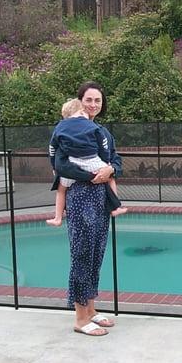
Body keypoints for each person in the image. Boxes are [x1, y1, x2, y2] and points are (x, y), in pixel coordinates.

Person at [50, 82, 122, 336]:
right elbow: (60, 165)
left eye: (98, 101)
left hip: (101, 199)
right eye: (89, 100)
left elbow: (115, 159)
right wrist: (91, 176)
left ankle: (90, 309)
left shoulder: (100, 131)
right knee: (82, 254)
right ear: (80, 101)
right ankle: (80, 318)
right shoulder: (67, 130)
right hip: (81, 196)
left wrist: (110, 170)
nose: (94, 104)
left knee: (96, 254)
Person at [47, 98, 127, 227]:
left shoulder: (60, 126)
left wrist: (54, 166)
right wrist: (106, 162)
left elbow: (52, 148)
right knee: (109, 177)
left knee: (61, 190)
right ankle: (115, 206)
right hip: (91, 160)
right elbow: (103, 143)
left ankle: (57, 217)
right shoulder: (91, 125)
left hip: (71, 163)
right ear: (82, 111)